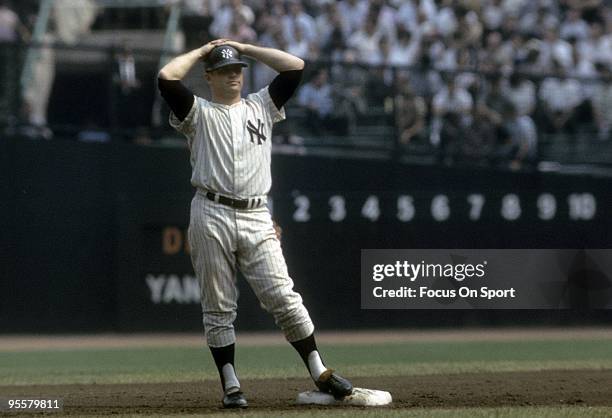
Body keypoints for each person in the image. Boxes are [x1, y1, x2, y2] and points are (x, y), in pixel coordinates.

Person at [157, 39, 353, 409]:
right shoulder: (197, 112)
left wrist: (243, 47)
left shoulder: (261, 105)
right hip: (211, 212)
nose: (234, 76)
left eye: (237, 70)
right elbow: (167, 77)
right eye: (225, 70)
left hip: (255, 213)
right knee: (218, 307)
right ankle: (231, 385)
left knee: (283, 296)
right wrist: (203, 52)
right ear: (210, 77)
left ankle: (320, 372)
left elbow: (295, 66)